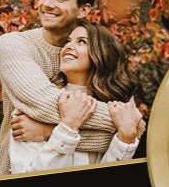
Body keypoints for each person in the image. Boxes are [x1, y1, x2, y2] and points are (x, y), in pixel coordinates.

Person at [0, 0, 116, 176]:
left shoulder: (94, 51)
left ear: (83, 10)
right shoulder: (14, 44)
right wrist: (119, 119)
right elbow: (43, 104)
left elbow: (125, 137)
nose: (47, 4)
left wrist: (46, 131)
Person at [9, 21, 144, 173]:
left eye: (81, 42)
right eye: (68, 41)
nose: (68, 46)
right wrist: (67, 127)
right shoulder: (34, 105)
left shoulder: (121, 113)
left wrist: (125, 139)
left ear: (101, 53)